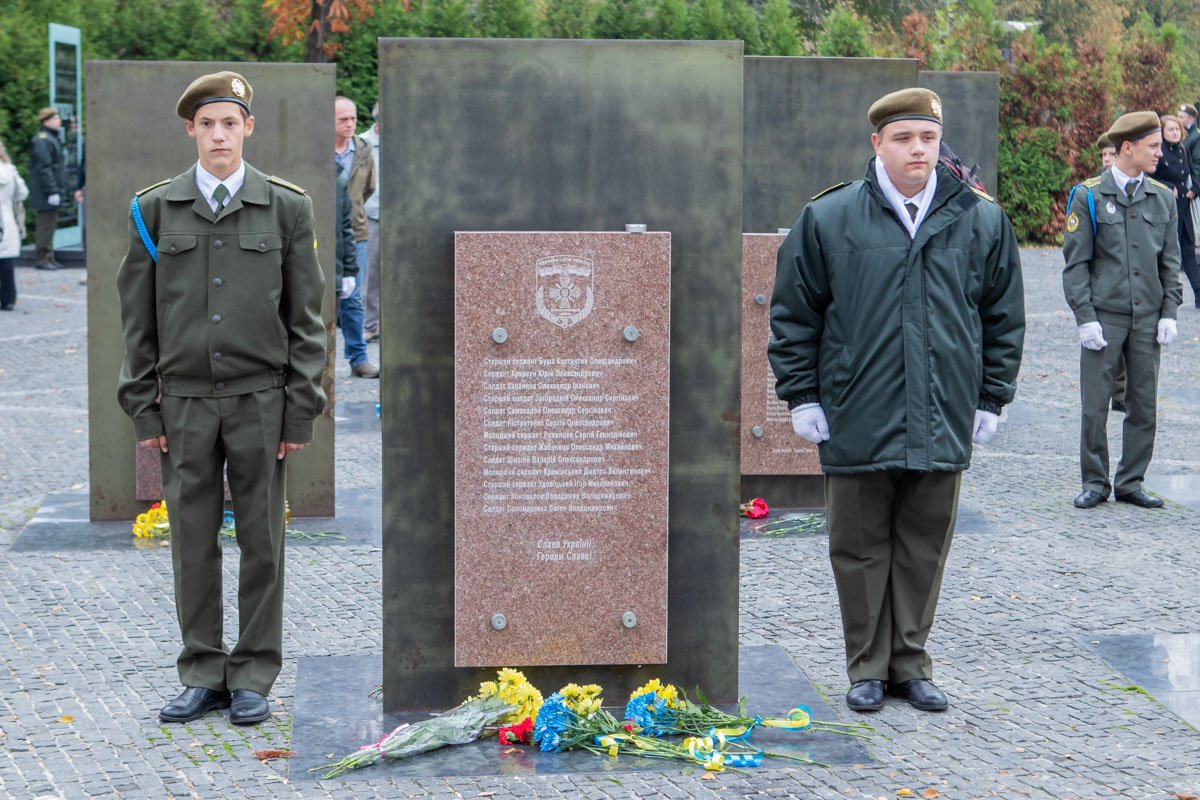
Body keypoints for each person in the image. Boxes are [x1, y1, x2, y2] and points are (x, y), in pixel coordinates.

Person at [769, 88, 1025, 713]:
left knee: (923, 542)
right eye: (904, 138)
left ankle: (909, 662)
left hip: (942, 410)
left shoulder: (981, 220)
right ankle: (866, 666)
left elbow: (1002, 315)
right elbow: (794, 314)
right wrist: (802, 394)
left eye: (928, 138)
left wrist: (992, 396)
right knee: (858, 547)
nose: (918, 150)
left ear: (940, 143)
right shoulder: (828, 219)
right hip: (858, 409)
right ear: (877, 144)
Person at [116, 71, 327, 725]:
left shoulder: (286, 207)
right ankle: (202, 670)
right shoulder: (154, 209)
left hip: (261, 401)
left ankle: (254, 673)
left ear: (248, 129)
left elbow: (307, 319)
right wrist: (144, 407)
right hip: (182, 403)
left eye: (229, 123)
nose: (218, 135)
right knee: (192, 539)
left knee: (263, 540)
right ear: (190, 131)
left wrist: (300, 407)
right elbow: (138, 320)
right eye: (206, 124)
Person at [1063, 111, 1181, 510]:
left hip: (1147, 318)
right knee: (1095, 406)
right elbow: (1076, 264)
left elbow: (1170, 261)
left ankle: (1131, 480)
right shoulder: (1090, 195)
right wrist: (1085, 318)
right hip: (1105, 317)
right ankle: (1095, 482)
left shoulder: (1163, 197)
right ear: (1127, 148)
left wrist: (1170, 311)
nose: (1159, 154)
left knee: (1143, 404)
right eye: (1153, 146)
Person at [333, 96, 378, 378]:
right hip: (322, 232)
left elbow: (368, 189)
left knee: (353, 299)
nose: (350, 124)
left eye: (353, 118)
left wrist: (353, 211)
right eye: (343, 120)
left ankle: (358, 359)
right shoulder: (317, 148)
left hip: (356, 233)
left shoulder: (363, 149)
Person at [1153, 115, 1199, 307]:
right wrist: (1167, 186)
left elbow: (1191, 173)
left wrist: (1194, 190)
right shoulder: (1159, 151)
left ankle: (1198, 294)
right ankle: (1162, 295)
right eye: (1170, 129)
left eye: (1177, 129)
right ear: (1162, 133)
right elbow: (1149, 177)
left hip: (1184, 207)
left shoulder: (1182, 150)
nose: (1174, 132)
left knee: (1188, 251)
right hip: (1165, 209)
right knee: (1165, 253)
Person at [28, 107, 66, 271]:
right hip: (46, 192)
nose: (59, 121)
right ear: (46, 121)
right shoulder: (43, 140)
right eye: (56, 118)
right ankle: (42, 259)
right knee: (45, 226)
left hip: (50, 191)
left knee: (50, 225)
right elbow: (44, 168)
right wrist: (52, 191)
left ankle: (49, 257)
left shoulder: (50, 138)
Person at [359, 102, 382, 343]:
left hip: (399, 218)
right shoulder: (363, 144)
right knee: (371, 274)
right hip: (372, 215)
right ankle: (370, 324)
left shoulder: (405, 141)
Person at [0, 138, 30, 310]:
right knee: (6, 262)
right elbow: (22, 193)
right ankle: (8, 299)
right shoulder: (9, 170)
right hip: (6, 218)